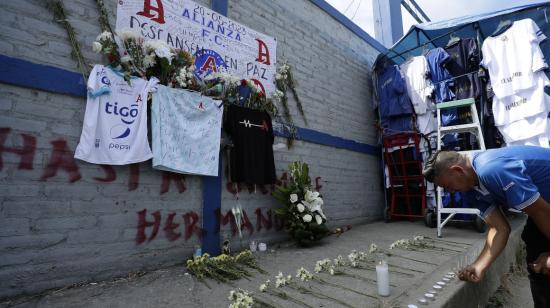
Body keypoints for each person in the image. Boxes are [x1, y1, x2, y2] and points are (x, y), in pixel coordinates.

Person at [422, 146, 550, 307]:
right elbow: (499, 228)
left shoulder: (491, 169)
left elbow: (542, 212)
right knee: (537, 257)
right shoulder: (470, 187)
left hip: (545, 210)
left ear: (457, 170)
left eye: (448, 186)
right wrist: (479, 265)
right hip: (545, 209)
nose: (451, 192)